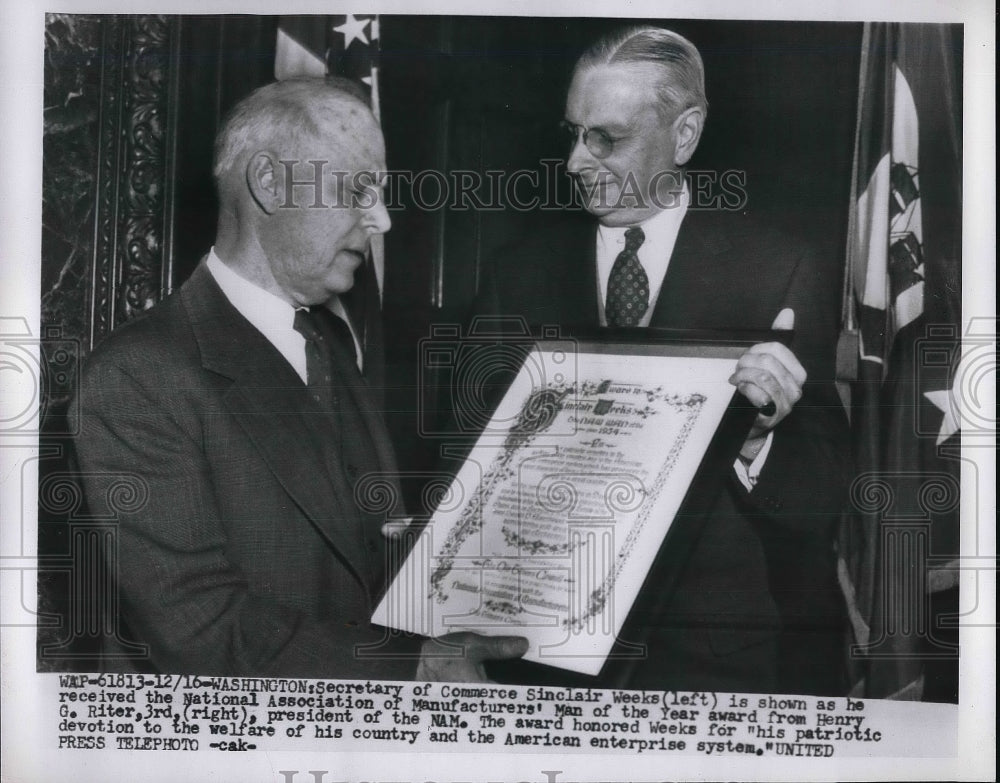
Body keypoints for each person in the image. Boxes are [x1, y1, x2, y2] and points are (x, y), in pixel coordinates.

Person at [71, 78, 527, 680]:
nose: (383, 220)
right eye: (359, 188)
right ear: (269, 183)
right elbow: (198, 629)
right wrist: (413, 665)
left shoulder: (326, 344)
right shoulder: (136, 376)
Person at [473, 27, 850, 694]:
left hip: (716, 669)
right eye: (572, 131)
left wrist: (758, 439)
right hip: (547, 667)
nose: (574, 161)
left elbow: (822, 499)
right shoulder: (515, 275)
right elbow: (468, 464)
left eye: (605, 138)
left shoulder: (778, 270)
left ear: (684, 135)